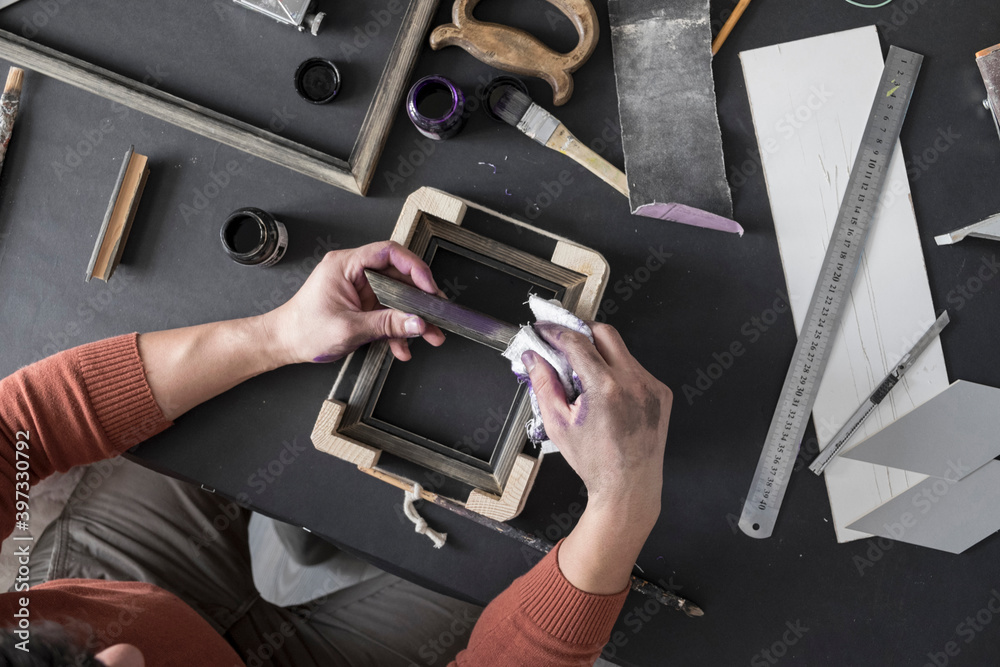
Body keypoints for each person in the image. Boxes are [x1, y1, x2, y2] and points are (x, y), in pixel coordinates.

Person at [0, 241, 672, 666]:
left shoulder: (100, 638)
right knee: (504, 558)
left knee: (248, 435)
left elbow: (19, 428)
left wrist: (276, 335)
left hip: (119, 578)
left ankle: (305, 542)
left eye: (74, 662)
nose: (122, 657)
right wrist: (622, 501)